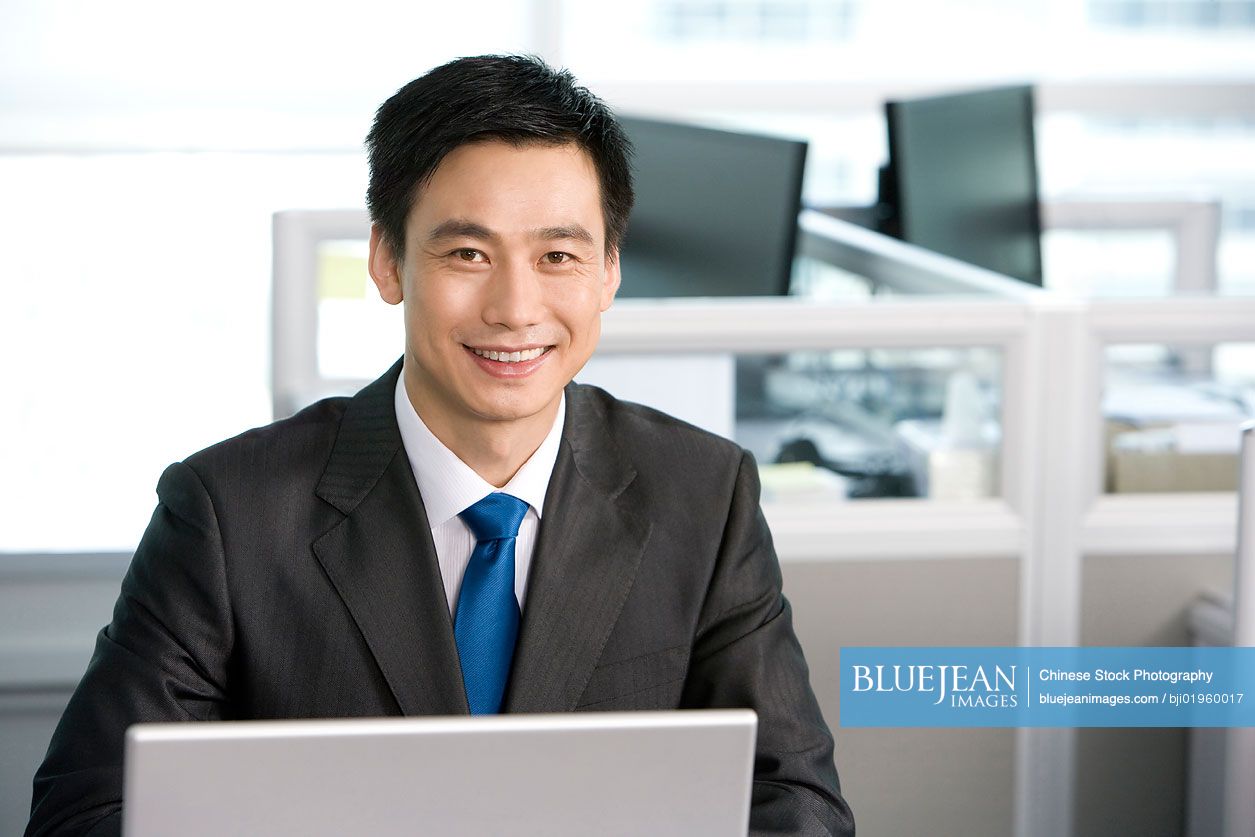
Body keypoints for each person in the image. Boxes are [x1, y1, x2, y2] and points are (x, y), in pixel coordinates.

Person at [27, 55, 854, 836]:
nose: (514, 307)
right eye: (467, 252)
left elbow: (794, 795)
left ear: (608, 271)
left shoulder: (702, 494)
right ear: (386, 261)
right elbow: (92, 808)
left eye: (558, 255)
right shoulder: (229, 511)